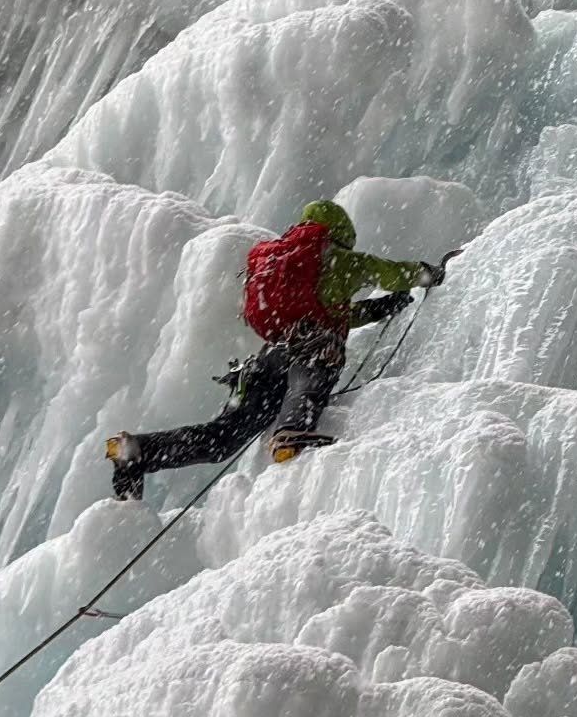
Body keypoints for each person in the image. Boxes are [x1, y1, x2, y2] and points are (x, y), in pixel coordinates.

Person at [105, 199, 453, 500]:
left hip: (267, 362)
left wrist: (376, 310)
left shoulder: (284, 262)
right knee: (311, 378)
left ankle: (141, 451)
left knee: (223, 436)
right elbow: (391, 273)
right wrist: (431, 273)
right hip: (309, 351)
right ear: (339, 235)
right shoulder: (338, 260)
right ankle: (291, 431)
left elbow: (326, 315)